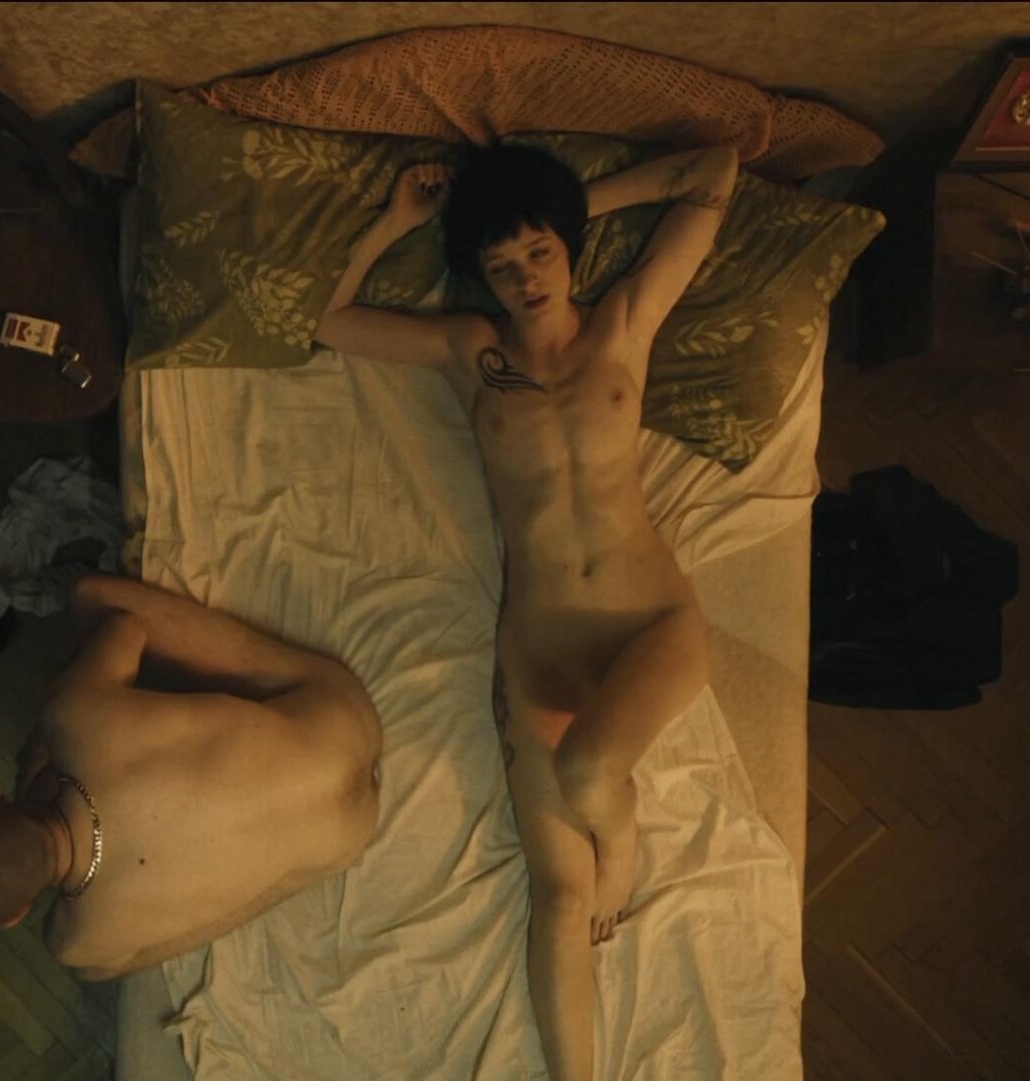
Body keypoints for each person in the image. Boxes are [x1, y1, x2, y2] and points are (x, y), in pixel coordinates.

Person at [312, 140, 738, 1081]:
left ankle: (622, 838)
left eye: (540, 253)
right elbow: (328, 319)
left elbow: (714, 172)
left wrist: (569, 207)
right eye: (503, 266)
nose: (527, 278)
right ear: (481, 277)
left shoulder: (625, 320)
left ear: (567, 248)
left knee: (588, 770)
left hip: (650, 624)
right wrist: (397, 224)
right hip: (541, 649)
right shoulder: (473, 352)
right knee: (558, 897)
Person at [0, 573, 382, 981]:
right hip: (342, 713)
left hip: (343, 843)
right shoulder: (75, 718)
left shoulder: (78, 943)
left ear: (15, 915)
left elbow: (184, 929)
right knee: (92, 596)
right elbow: (124, 627)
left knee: (97, 968)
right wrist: (55, 718)